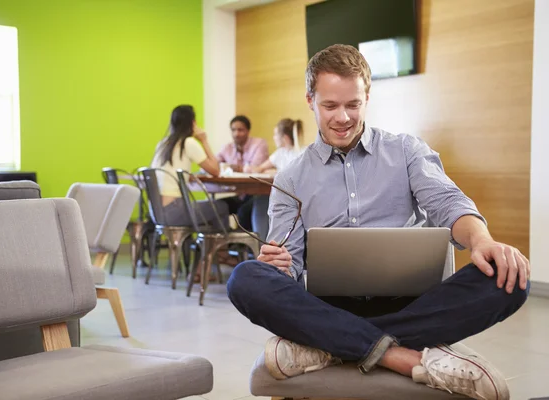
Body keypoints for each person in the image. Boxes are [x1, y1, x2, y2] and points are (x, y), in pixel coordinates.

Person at [226, 44, 529, 400]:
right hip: (330, 307)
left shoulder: (406, 151)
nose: (343, 117)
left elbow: (448, 203)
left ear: (367, 97)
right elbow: (287, 268)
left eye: (353, 104)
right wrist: (278, 266)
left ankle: (328, 347)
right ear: (310, 100)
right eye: (330, 105)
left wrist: (482, 241)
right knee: (244, 278)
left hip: (412, 306)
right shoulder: (291, 177)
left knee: (510, 277)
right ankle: (399, 355)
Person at [151, 105, 229, 228]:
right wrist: (204, 140)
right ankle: (219, 246)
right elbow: (215, 171)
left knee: (210, 208)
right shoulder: (187, 143)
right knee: (222, 207)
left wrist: (189, 177)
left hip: (155, 212)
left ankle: (206, 244)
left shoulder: (163, 144)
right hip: (174, 210)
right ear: (193, 123)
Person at [217, 115, 269, 231]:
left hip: (257, 194)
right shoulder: (227, 148)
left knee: (244, 211)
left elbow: (256, 168)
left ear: (248, 131)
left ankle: (247, 245)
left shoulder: (259, 144)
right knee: (215, 207)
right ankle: (226, 241)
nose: (236, 133)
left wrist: (232, 167)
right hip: (239, 195)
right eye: (233, 130)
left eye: (240, 130)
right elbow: (216, 165)